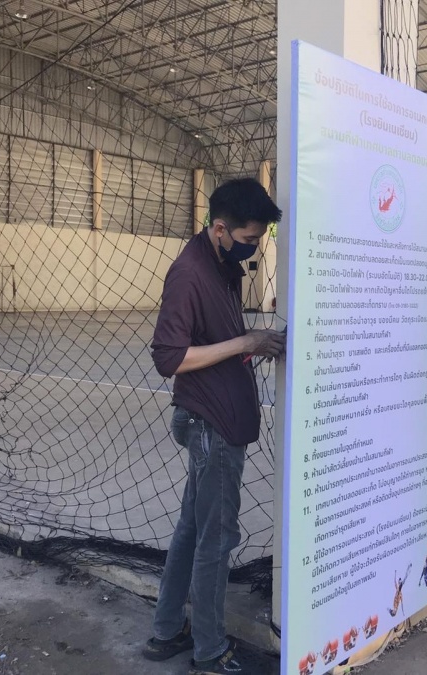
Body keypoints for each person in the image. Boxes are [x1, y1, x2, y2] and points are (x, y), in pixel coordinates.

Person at [142, 177, 285, 675]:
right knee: (216, 539)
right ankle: (209, 649)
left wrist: (250, 342)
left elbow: (218, 338)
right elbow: (169, 357)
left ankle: (166, 630)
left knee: (192, 529)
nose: (253, 248)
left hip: (219, 419)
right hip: (210, 426)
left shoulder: (223, 266)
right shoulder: (190, 273)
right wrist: (245, 343)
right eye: (248, 238)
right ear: (220, 229)